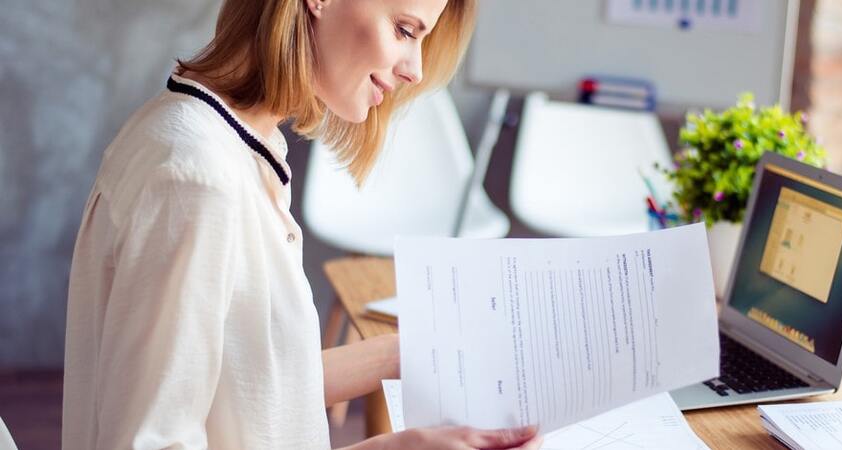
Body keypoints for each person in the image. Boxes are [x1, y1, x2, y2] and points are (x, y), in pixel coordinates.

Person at [62, 0, 542, 448]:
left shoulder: (218, 141)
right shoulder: (198, 178)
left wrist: (407, 355)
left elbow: (249, 383)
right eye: (403, 30)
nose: (415, 70)